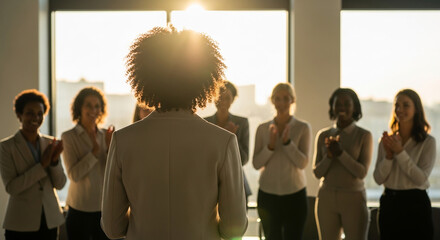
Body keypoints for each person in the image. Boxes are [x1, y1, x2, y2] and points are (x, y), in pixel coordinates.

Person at [101, 26, 247, 240]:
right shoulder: (223, 141)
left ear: (146, 76)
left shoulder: (123, 140)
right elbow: (233, 227)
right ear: (204, 78)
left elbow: (112, 228)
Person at [0, 89, 66, 240]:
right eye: (30, 113)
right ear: (19, 114)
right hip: (20, 223)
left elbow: (61, 184)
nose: (36, 117)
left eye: (40, 113)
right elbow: (12, 187)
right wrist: (42, 165)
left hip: (50, 221)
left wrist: (54, 162)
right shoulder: (6, 147)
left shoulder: (51, 143)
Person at [373, 89, 435, 240]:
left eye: (406, 105)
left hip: (416, 204)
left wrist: (400, 152)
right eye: (397, 105)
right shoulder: (386, 141)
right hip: (390, 203)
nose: (400, 110)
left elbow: (421, 179)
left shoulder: (428, 142)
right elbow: (378, 178)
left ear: (416, 109)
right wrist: (388, 156)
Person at [253, 82, 311, 240]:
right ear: (272, 101)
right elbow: (256, 164)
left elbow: (303, 163)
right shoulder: (262, 128)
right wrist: (270, 146)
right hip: (268, 195)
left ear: (293, 100)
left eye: (286, 98)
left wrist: (287, 143)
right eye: (277, 99)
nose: (281, 103)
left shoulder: (303, 128)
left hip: (295, 194)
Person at [313, 88, 372, 240]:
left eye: (347, 103)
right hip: (326, 197)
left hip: (353, 198)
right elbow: (317, 173)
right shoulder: (323, 135)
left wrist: (340, 154)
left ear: (355, 107)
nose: (341, 107)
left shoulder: (364, 135)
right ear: (332, 107)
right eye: (337, 103)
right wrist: (329, 156)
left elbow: (362, 172)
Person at [61, 87, 115, 240]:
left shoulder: (107, 136)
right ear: (79, 108)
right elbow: (74, 175)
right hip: (79, 210)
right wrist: (95, 152)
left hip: (104, 210)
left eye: (97, 106)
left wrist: (110, 150)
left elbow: (113, 173)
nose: (94, 110)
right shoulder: (68, 137)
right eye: (88, 105)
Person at [205, 80, 252, 206]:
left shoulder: (242, 123)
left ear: (233, 100)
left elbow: (244, 159)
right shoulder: (205, 123)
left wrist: (232, 138)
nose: (223, 101)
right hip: (210, 184)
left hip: (236, 182)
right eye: (219, 97)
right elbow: (205, 157)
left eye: (227, 98)